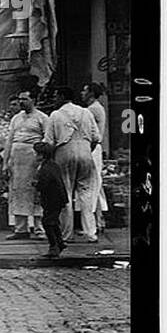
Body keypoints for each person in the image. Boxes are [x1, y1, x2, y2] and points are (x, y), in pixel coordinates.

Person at [43, 85, 102, 243]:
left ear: (62, 97)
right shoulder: (86, 112)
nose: (55, 100)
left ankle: (67, 234)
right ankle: (91, 232)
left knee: (66, 193)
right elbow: (96, 137)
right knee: (86, 194)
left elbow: (48, 142)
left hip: (64, 153)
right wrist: (86, 149)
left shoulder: (55, 115)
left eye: (56, 96)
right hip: (85, 152)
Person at [3, 90, 50, 240]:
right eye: (20, 99)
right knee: (17, 192)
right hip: (16, 158)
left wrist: (43, 161)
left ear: (33, 100)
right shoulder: (16, 118)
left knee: (35, 192)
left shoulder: (43, 118)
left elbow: (47, 140)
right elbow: (9, 140)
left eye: (25, 99)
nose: (21, 102)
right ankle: (20, 229)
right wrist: (6, 162)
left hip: (33, 157)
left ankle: (39, 228)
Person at [83, 81, 111, 226]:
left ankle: (93, 221)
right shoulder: (95, 108)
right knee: (96, 184)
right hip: (95, 148)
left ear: (91, 94)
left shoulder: (92, 109)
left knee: (92, 183)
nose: (82, 93)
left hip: (92, 147)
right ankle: (99, 220)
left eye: (84, 90)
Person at [33, 141, 68, 259]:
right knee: (53, 221)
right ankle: (60, 242)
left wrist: (36, 184)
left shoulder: (46, 168)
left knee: (48, 222)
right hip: (56, 198)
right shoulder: (52, 165)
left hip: (52, 199)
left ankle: (54, 246)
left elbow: (43, 183)